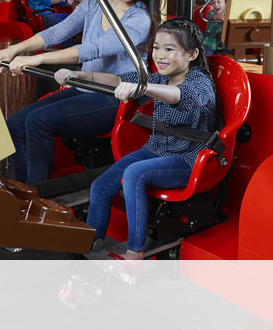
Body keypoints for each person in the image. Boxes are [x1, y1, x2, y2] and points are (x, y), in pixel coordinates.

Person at [0, 0, 163, 184]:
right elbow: (58, 31)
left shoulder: (139, 18)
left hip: (115, 97)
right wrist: (14, 49)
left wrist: (37, 58)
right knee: (14, 126)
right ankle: (21, 191)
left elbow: (93, 49)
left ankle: (38, 198)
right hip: (85, 87)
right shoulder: (93, 2)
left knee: (38, 122)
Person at [56, 18, 218, 261]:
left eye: (169, 49)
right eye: (156, 48)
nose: (160, 55)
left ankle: (135, 252)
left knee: (134, 174)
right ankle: (90, 241)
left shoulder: (200, 84)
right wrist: (78, 74)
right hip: (157, 148)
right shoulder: (160, 78)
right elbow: (118, 79)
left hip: (189, 158)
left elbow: (177, 97)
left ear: (192, 54)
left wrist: (141, 89)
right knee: (102, 183)